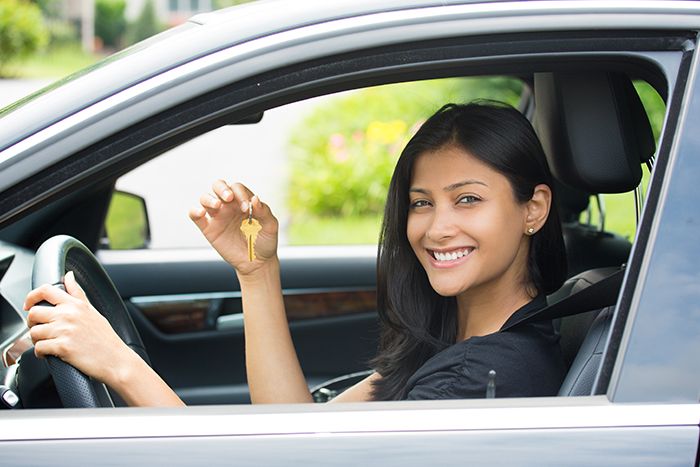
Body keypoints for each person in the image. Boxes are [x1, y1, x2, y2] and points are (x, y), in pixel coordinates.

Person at [24, 101, 567, 406]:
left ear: (533, 209)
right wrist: (258, 271)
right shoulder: (452, 343)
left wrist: (118, 362)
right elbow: (294, 432)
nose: (436, 228)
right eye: (421, 203)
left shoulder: (477, 379)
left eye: (467, 199)